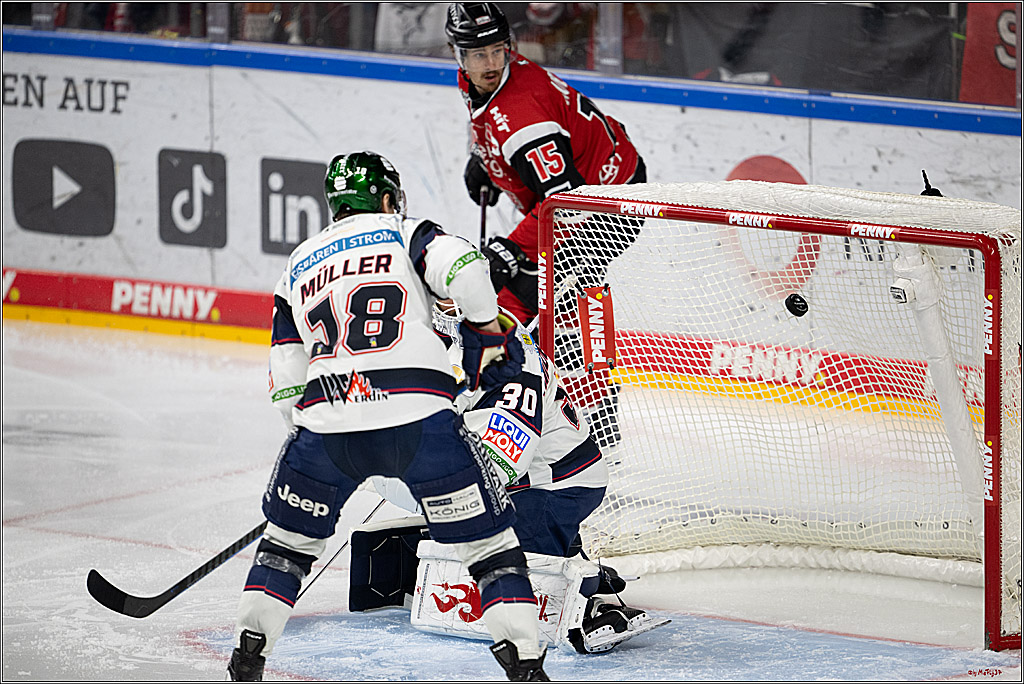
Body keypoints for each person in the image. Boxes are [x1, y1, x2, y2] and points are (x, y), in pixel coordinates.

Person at [227, 151, 550, 682]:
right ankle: (527, 664)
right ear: (385, 198)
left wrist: (316, 445)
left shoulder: (300, 261)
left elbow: (286, 380)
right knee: (488, 547)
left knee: (286, 547)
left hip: (326, 430)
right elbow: (468, 270)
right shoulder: (408, 233)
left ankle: (248, 654)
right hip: (419, 424)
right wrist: (487, 331)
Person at [354, 300, 667, 653]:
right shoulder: (464, 339)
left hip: (556, 486)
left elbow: (499, 468)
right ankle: (568, 559)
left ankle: (583, 595)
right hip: (532, 481)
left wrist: (391, 474)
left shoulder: (508, 357)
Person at [445, 1, 647, 325]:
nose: (493, 62)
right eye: (479, 54)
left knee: (531, 297)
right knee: (532, 290)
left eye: (498, 50)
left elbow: (567, 202)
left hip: (609, 198)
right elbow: (498, 122)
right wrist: (486, 160)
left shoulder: (523, 121)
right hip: (583, 181)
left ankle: (583, 370)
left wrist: (512, 249)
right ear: (457, 54)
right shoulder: (480, 81)